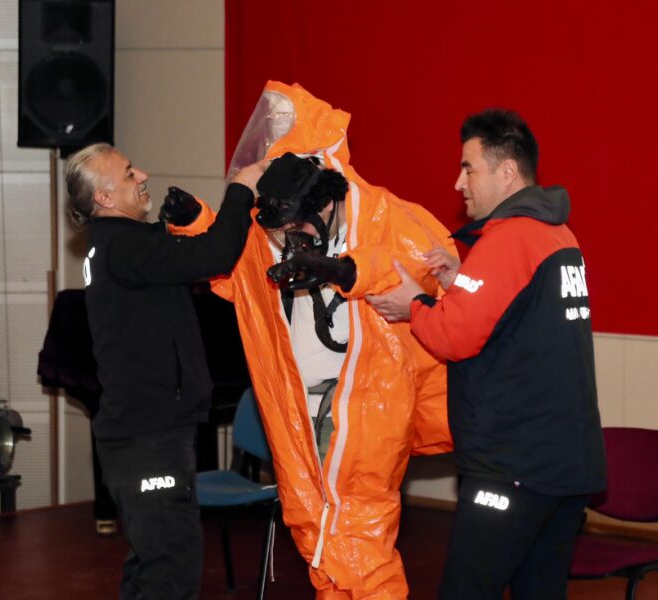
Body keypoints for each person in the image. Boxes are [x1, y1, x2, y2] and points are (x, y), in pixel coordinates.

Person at [169, 82, 455, 599]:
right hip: (300, 402)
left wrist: (343, 269)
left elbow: (427, 267)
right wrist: (195, 224)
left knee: (361, 529)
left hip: (369, 399)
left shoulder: (382, 213)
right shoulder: (276, 227)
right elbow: (239, 275)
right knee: (313, 526)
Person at [368, 108, 607, 600]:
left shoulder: (509, 239)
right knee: (540, 591)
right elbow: (517, 316)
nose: (458, 183)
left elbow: (453, 337)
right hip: (567, 464)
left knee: (467, 590)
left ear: (507, 171)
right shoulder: (558, 235)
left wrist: (415, 304)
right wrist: (460, 281)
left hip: (512, 467)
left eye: (468, 168)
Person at [65, 142, 260, 600]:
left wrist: (183, 219)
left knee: (153, 562)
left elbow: (177, 254)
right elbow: (214, 256)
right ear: (104, 198)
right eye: (129, 173)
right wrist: (240, 191)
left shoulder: (118, 244)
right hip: (147, 440)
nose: (143, 176)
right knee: (169, 566)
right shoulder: (124, 247)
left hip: (146, 435)